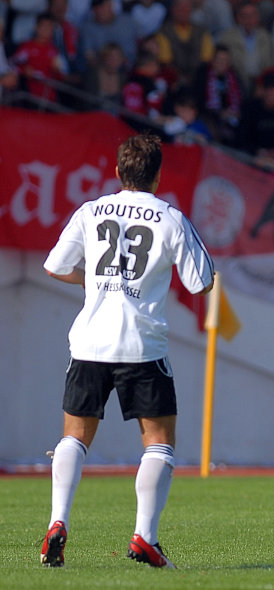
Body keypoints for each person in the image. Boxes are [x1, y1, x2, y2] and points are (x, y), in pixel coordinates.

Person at [40, 134, 215, 569]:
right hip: (141, 342)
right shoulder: (170, 217)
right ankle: (145, 538)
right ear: (158, 175)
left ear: (118, 172)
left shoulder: (90, 210)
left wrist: (97, 282)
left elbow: (55, 266)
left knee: (74, 437)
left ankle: (57, 524)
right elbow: (202, 281)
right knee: (159, 443)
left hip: (89, 341)